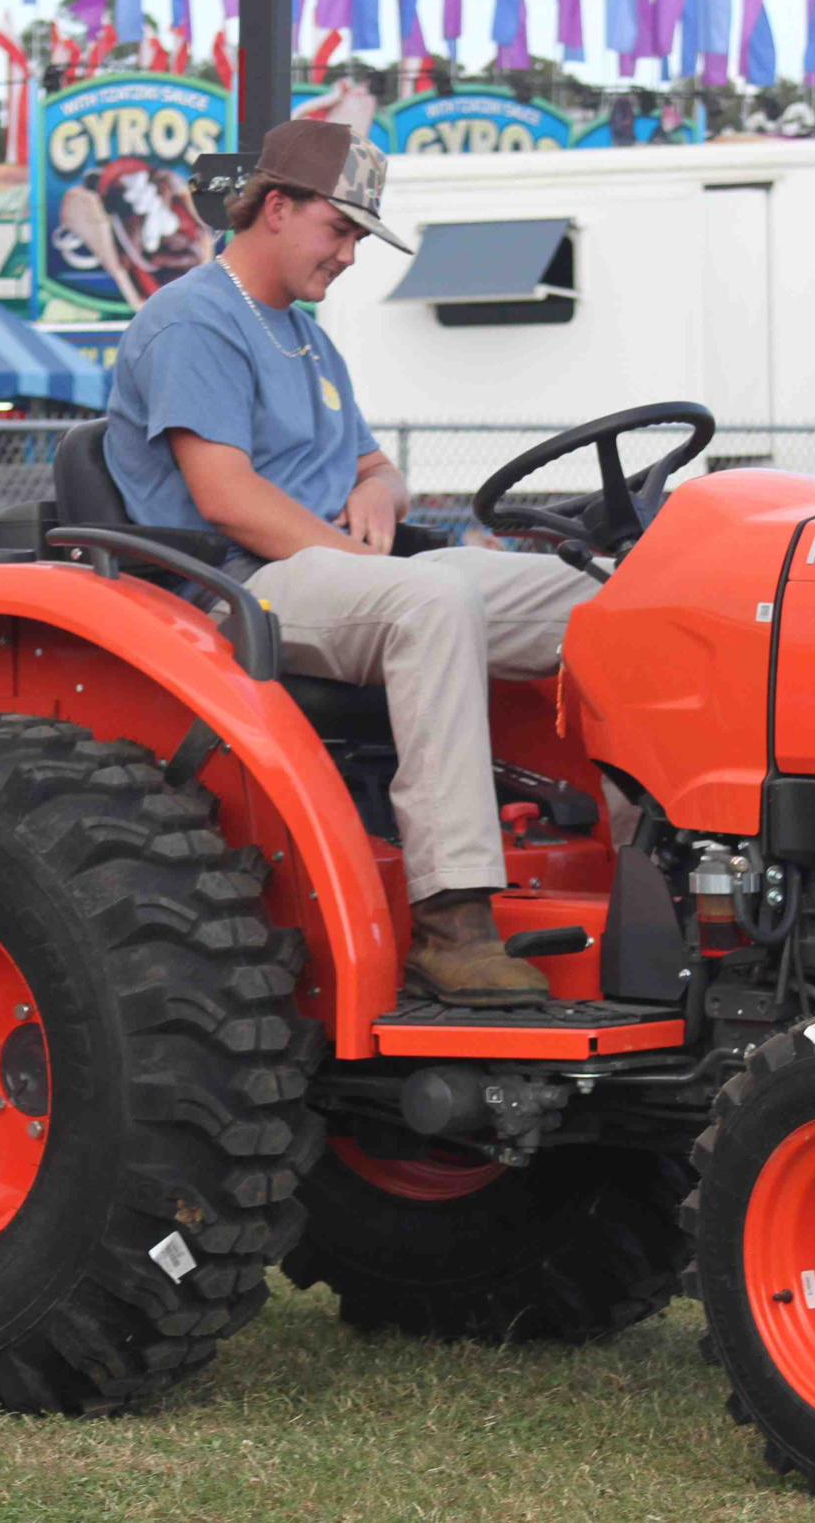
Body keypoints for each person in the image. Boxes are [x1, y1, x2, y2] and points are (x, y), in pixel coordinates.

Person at [104, 119, 603, 1008]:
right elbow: (224, 494)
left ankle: (664, 863)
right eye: (340, 231)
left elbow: (371, 460)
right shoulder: (192, 321)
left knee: (599, 600)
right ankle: (453, 916)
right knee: (432, 600)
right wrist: (372, 563)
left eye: (359, 238)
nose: (350, 257)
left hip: (334, 570)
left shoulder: (305, 337)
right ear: (279, 207)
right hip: (237, 584)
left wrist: (382, 490)